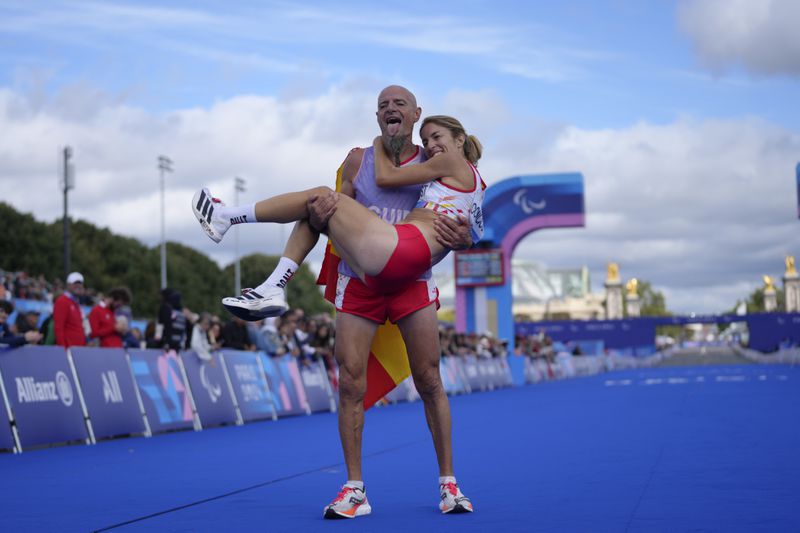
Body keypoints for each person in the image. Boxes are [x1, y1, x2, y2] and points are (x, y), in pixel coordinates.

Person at [192, 87, 477, 517]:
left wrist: (468, 239)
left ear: (416, 114)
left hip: (410, 278)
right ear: (376, 117)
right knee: (350, 383)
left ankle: (449, 486)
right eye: (383, 105)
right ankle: (354, 490)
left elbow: (465, 213)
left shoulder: (434, 161)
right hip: (361, 278)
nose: (390, 109)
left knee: (430, 380)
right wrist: (329, 204)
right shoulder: (357, 159)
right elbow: (323, 218)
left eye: (399, 104)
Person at [53, 272, 87, 348]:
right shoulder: (62, 301)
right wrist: (63, 349)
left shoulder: (75, 303)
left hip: (78, 349)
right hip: (69, 350)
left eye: (80, 283)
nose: (78, 286)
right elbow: (58, 327)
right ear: (68, 285)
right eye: (75, 283)